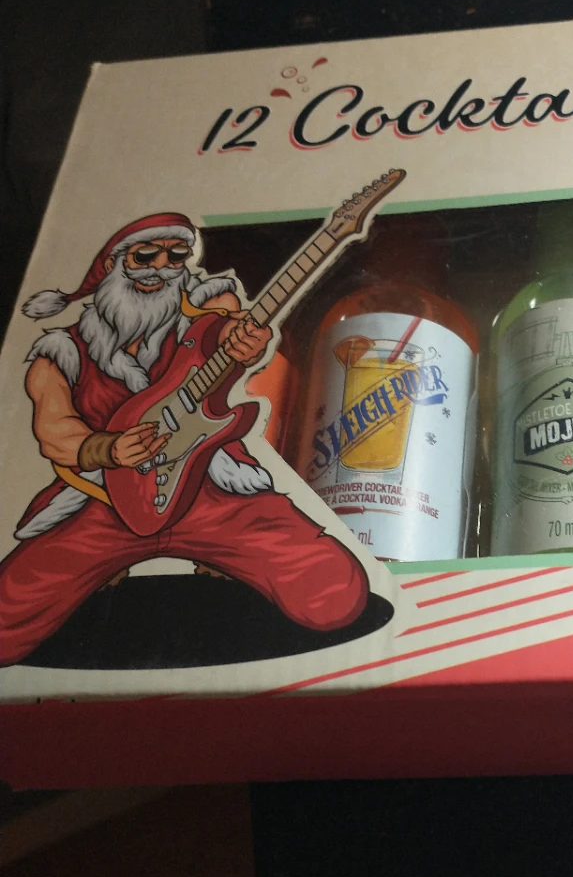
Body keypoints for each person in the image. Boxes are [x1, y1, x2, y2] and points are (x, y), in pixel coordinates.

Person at [0, 212, 368, 666]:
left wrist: (244, 344)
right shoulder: (62, 351)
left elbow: (230, 333)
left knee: (334, 593)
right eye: (144, 256)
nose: (160, 268)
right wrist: (107, 449)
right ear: (112, 264)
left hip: (210, 494)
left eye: (175, 256)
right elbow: (54, 430)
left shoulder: (203, 322)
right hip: (106, 501)